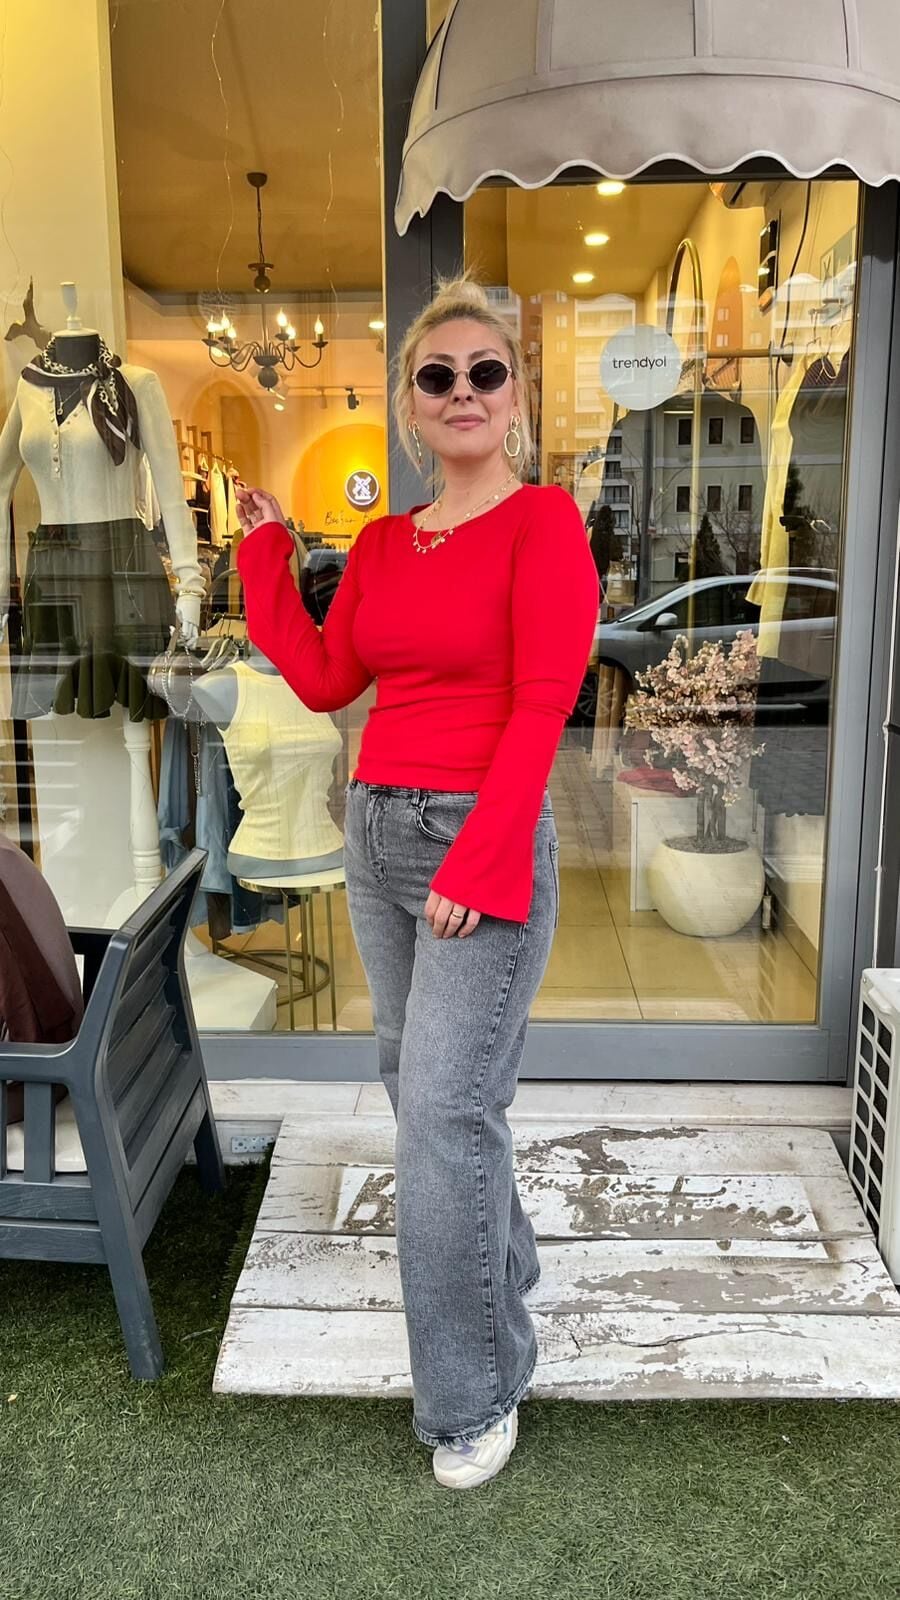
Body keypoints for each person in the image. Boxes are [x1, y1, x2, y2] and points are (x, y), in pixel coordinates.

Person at [235, 277, 599, 1490]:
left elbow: (544, 700)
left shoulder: (543, 522)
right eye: (438, 375)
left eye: (485, 371)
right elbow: (328, 678)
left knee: (443, 1111)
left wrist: (483, 857)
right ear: (410, 403)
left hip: (473, 837)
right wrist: (268, 557)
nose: (462, 391)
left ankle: (472, 1392)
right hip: (378, 830)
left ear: (516, 395)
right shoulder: (387, 543)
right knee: (423, 1090)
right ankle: (507, 1271)